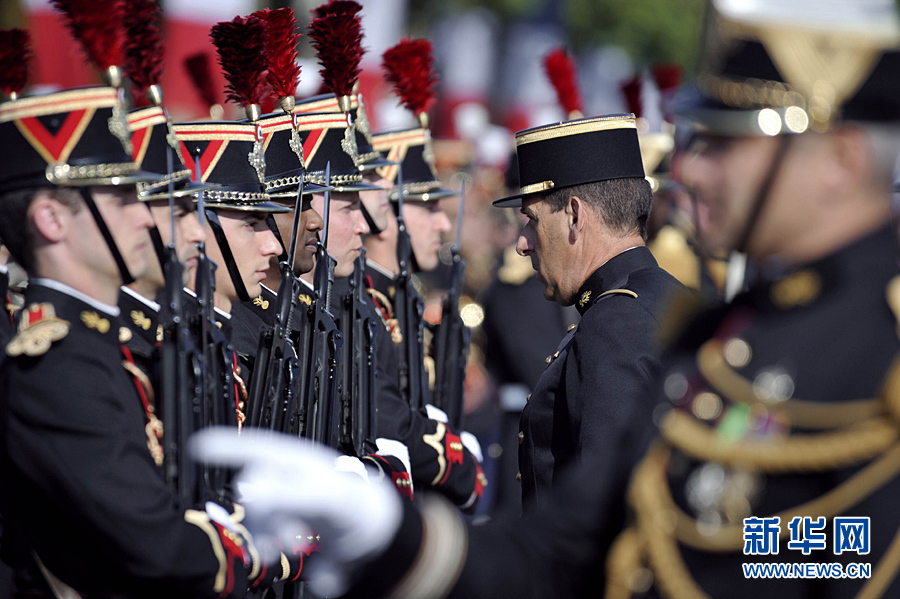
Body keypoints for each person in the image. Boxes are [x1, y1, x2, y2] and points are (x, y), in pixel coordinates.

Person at [0, 84, 295, 598]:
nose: (145, 216)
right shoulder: (54, 366)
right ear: (50, 219)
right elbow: (154, 542)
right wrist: (262, 544)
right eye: (122, 198)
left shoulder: (96, 342)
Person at [490, 114, 683, 509]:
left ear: (575, 216)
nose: (523, 244)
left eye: (532, 220)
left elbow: (600, 505)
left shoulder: (616, 323)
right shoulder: (666, 297)